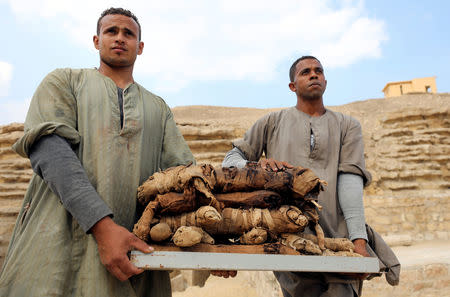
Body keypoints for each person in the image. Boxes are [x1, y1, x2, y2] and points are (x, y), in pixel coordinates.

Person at [0, 7, 195, 297]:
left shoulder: (158, 108)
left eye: (128, 33)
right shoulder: (64, 81)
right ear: (96, 41)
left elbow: (183, 176)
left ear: (140, 47)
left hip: (133, 260)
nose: (119, 38)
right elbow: (50, 152)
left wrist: (214, 245)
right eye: (111, 31)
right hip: (57, 253)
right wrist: (103, 229)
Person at [222, 56, 372, 296]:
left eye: (318, 71)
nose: (313, 75)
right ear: (292, 86)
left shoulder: (348, 126)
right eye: (305, 72)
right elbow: (231, 160)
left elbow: (350, 184)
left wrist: (359, 242)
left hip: (338, 242)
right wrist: (255, 167)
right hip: (289, 241)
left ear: (325, 81)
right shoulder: (271, 122)